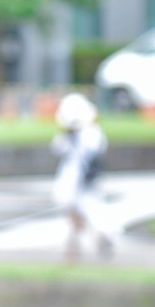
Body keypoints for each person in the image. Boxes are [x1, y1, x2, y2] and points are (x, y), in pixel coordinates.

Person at [51, 92, 111, 261]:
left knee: (82, 212)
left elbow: (93, 153)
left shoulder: (92, 134)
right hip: (72, 179)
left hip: (85, 179)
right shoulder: (70, 136)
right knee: (74, 213)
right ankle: (78, 246)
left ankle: (84, 244)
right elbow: (57, 148)